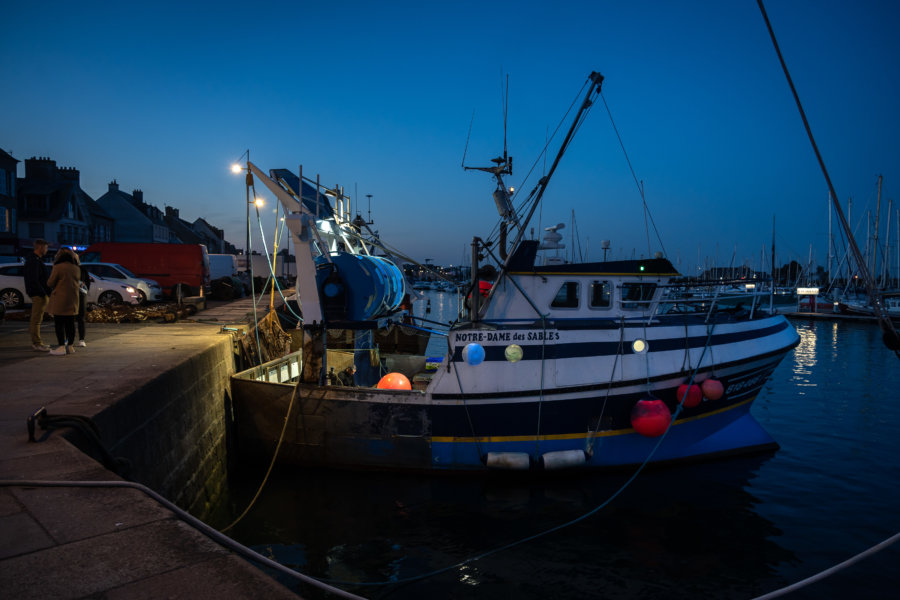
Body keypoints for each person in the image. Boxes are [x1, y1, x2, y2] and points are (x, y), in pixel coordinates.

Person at [46, 247, 81, 356]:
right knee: (70, 323)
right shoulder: (76, 268)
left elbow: (50, 283)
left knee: (59, 323)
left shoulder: (58, 267)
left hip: (60, 299)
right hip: (73, 299)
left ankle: (61, 346)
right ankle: (70, 346)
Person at [23, 239, 51, 351]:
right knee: (36, 320)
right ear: (40, 247)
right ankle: (37, 343)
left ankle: (37, 342)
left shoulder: (35, 260)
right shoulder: (33, 261)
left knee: (37, 319)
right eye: (46, 247)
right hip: (38, 294)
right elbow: (34, 279)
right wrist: (43, 293)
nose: (47, 250)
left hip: (38, 293)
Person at [74, 254, 90, 347]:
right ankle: (69, 339)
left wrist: (84, 286)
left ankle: (81, 339)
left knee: (81, 317)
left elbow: (87, 282)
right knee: (70, 318)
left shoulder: (82, 269)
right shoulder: (68, 269)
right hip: (71, 295)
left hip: (81, 295)